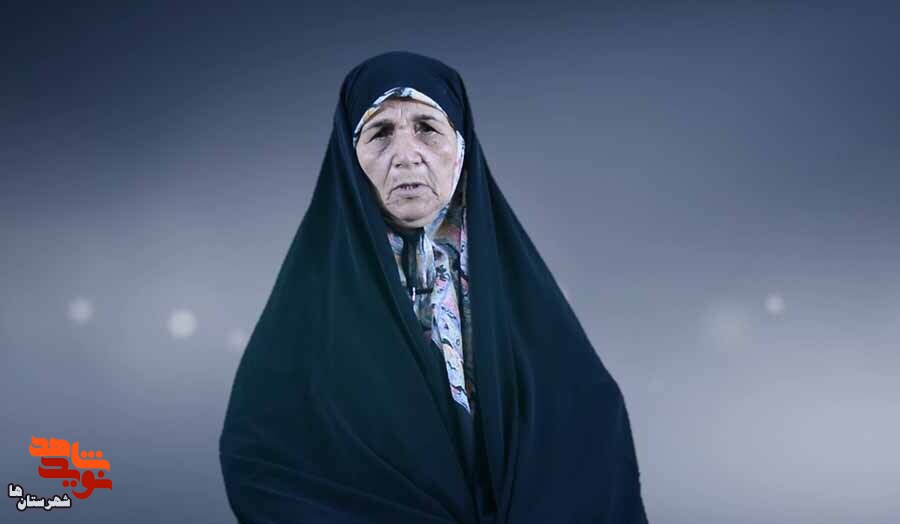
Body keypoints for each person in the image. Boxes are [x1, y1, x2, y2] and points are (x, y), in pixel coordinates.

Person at [219, 51, 649, 524]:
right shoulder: (311, 307)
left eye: (427, 128)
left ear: (461, 147)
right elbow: (265, 461)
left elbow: (590, 433)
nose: (406, 156)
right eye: (380, 133)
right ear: (349, 154)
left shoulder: (518, 294)